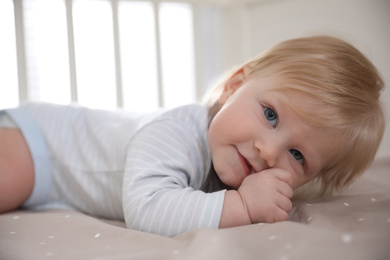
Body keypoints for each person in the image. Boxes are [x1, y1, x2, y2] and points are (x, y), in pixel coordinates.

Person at [0, 36, 385, 237]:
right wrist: (243, 208)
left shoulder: (242, 167)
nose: (269, 152)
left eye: (298, 156)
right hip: (41, 144)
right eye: (270, 114)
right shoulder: (177, 132)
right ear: (234, 87)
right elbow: (147, 209)